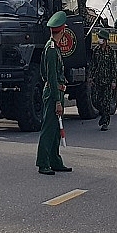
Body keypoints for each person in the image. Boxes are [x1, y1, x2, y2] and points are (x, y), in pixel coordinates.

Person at [36, 10, 72, 175]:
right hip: (52, 94)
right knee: (49, 129)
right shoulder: (51, 50)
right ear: (63, 30)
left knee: (56, 130)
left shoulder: (54, 48)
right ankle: (43, 163)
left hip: (56, 92)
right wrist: (57, 100)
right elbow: (50, 77)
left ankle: (55, 161)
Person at [89, 29, 117, 131]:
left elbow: (113, 67)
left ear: (105, 40)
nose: (99, 40)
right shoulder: (96, 51)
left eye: (101, 38)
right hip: (98, 80)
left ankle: (105, 121)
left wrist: (113, 81)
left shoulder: (110, 52)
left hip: (108, 81)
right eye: (99, 38)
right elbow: (93, 65)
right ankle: (103, 115)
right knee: (95, 100)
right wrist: (91, 77)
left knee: (106, 102)